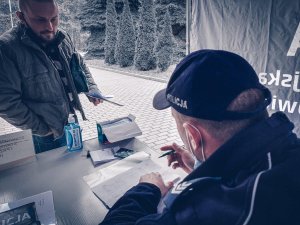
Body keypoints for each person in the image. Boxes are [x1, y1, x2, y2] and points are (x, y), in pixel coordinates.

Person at [99, 50, 300, 225]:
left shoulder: (202, 212)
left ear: (193, 136)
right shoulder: (288, 151)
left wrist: (147, 189)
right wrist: (201, 164)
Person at [0, 0, 102, 153]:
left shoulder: (64, 37)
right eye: (40, 19)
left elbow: (79, 65)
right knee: (55, 176)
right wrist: (43, 129)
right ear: (21, 16)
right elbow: (6, 102)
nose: (50, 27)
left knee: (76, 167)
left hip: (71, 121)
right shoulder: (7, 48)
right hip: (44, 136)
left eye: (54, 18)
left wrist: (92, 89)